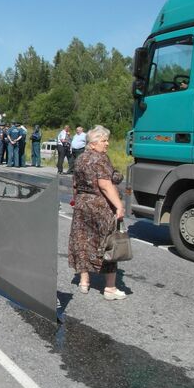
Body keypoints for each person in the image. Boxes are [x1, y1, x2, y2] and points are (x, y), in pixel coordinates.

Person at [68, 125, 127, 300]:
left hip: (82, 205)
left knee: (83, 241)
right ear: (93, 144)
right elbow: (105, 186)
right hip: (100, 206)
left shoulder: (80, 159)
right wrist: (119, 206)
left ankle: (84, 282)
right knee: (108, 243)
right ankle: (110, 288)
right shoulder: (99, 159)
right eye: (104, 140)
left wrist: (77, 201)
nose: (107, 143)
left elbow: (75, 185)